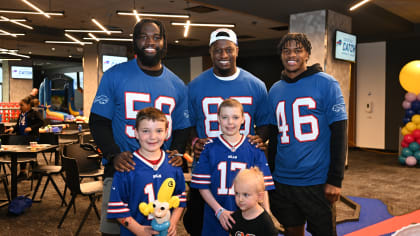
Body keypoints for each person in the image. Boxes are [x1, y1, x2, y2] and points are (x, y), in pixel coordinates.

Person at [89, 19, 190, 236]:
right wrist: (113, 154)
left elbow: (183, 126)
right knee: (114, 232)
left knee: (158, 230)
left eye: (156, 37)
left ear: (164, 42)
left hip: (160, 174)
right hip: (121, 169)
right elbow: (98, 121)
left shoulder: (177, 84)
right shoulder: (114, 75)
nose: (149, 42)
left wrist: (178, 151)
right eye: (143, 36)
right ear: (134, 42)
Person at [184, 28, 272, 236]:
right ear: (211, 52)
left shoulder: (256, 85)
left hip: (245, 160)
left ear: (237, 51)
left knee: (248, 223)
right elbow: (187, 122)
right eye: (218, 50)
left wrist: (261, 140)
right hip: (208, 159)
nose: (224, 55)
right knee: (199, 221)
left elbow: (266, 122)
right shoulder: (195, 86)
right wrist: (195, 140)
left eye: (229, 50)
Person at [267, 33, 348, 236]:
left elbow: (340, 133)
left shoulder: (327, 83)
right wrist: (270, 173)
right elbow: (274, 135)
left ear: (307, 55)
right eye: (286, 51)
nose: (291, 55)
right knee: (292, 230)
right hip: (283, 179)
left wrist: (335, 179)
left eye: (297, 50)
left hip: (316, 180)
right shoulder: (275, 89)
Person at [190, 99, 274, 236]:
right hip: (216, 216)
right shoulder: (209, 147)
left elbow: (263, 187)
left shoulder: (254, 148)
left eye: (235, 117)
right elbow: (202, 186)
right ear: (218, 119)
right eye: (225, 117)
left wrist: (267, 214)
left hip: (248, 217)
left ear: (243, 119)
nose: (230, 122)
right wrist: (219, 211)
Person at [107, 107, 186, 236]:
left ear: (166, 132)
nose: (152, 137)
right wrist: (139, 230)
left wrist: (173, 222)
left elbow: (180, 198)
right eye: (145, 131)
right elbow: (117, 207)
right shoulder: (126, 166)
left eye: (159, 131)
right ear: (136, 133)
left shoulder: (173, 164)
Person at [230, 167, 278, 236]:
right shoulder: (236, 217)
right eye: (237, 193)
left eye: (245, 194)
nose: (240, 199)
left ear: (259, 196)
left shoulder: (265, 221)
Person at [5, 96, 43, 180]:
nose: (20, 107)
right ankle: (23, 173)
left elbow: (41, 122)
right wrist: (13, 128)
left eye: (22, 105)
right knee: (22, 154)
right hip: (21, 138)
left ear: (28, 105)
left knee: (31, 155)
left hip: (31, 138)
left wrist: (31, 128)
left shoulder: (34, 113)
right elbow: (18, 125)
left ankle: (36, 172)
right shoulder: (21, 115)